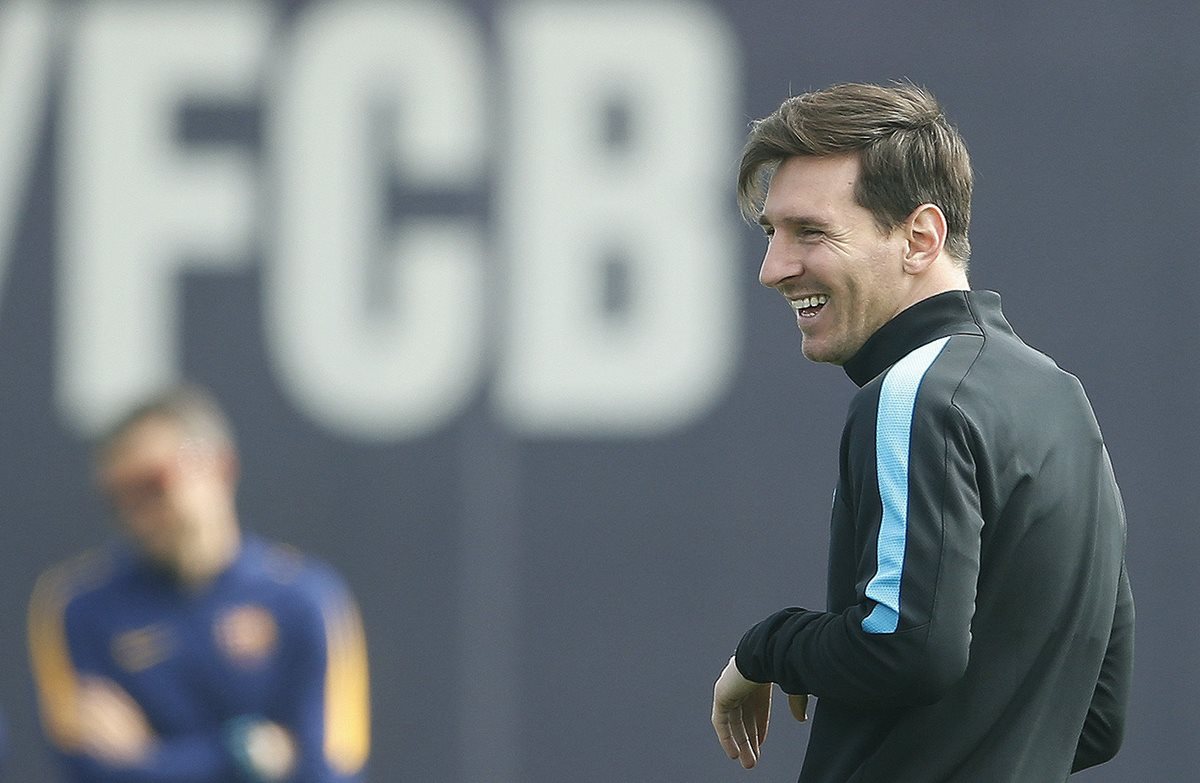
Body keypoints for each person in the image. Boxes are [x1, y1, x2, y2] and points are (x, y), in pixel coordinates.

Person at [710, 82, 1133, 781]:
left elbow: (905, 646)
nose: (773, 269)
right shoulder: (1060, 396)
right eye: (771, 233)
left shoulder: (914, 396)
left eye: (809, 231)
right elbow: (1098, 712)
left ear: (919, 238)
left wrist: (766, 646)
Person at [28, 384, 370, 782]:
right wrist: (245, 751)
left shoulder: (305, 598)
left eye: (153, 484)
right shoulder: (79, 605)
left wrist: (151, 758)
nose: (136, 511)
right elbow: (92, 770)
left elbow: (329, 770)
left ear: (220, 467)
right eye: (120, 494)